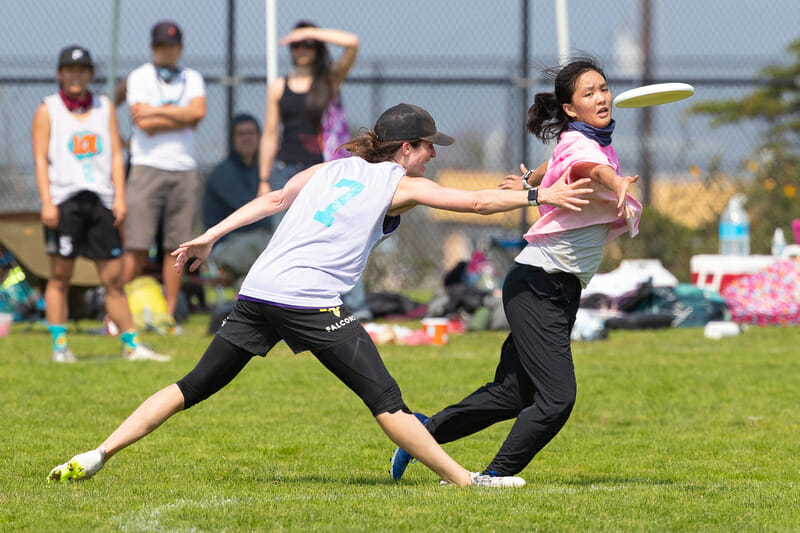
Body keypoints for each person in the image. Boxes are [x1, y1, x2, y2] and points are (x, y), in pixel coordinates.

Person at [47, 103, 593, 488]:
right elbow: (473, 205)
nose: (433, 156)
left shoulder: (331, 169)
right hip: (309, 301)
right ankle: (468, 481)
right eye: (429, 147)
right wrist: (540, 193)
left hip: (259, 293)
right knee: (388, 402)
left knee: (191, 386)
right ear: (406, 149)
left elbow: (271, 200)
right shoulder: (397, 185)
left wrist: (210, 236)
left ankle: (97, 453)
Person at [390, 58, 643, 482]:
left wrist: (531, 182)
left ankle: (420, 433)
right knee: (557, 399)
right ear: (569, 108)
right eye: (588, 93)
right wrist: (613, 181)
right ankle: (492, 477)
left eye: (603, 88)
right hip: (539, 286)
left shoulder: (579, 139)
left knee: (512, 394)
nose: (601, 97)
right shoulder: (588, 150)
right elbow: (585, 167)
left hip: (553, 288)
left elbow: (561, 160)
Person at [31, 45, 169, 363]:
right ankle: (60, 345)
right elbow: (40, 159)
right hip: (64, 201)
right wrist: (47, 202)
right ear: (59, 74)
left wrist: (120, 197)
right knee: (59, 277)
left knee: (113, 280)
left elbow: (116, 155)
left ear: (91, 74)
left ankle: (131, 345)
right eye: (69, 70)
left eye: (82, 70)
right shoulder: (47, 109)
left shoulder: (104, 107)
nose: (76, 76)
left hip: (100, 201)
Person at [258, 21, 372, 319]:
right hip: (286, 172)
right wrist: (263, 178)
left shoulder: (330, 79)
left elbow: (353, 41)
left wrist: (312, 33)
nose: (303, 49)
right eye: (297, 44)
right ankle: (285, 310)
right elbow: (270, 134)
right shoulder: (278, 87)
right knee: (285, 241)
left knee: (337, 235)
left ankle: (357, 310)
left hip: (326, 171)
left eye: (308, 44)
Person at [122, 20, 207, 328]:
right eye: (160, 46)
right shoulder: (139, 76)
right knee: (137, 244)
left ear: (180, 49)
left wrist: (157, 112)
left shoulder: (193, 77)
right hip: (146, 167)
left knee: (178, 247)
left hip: (184, 169)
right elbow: (143, 123)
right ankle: (118, 312)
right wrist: (180, 116)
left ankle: (169, 315)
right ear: (152, 48)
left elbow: (197, 113)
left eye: (171, 46)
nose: (166, 51)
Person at [202, 113, 270, 281]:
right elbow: (256, 213)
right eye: (241, 134)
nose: (247, 138)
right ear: (232, 139)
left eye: (251, 133)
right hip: (226, 246)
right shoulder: (223, 173)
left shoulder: (264, 171)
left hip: (253, 241)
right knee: (272, 246)